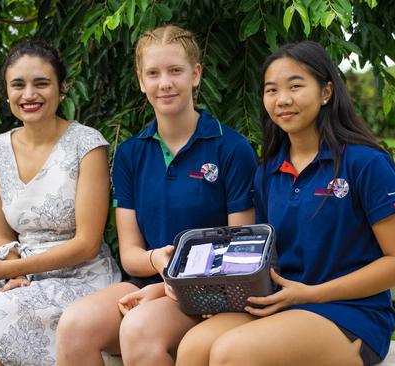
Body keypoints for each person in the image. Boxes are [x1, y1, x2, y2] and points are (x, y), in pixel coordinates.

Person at [176, 41, 395, 366]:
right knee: (193, 347)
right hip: (285, 301)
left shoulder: (366, 163)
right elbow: (266, 257)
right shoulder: (268, 171)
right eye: (271, 90)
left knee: (231, 352)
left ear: (326, 92)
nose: (283, 100)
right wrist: (226, 292)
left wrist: (311, 294)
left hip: (351, 312)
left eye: (295, 86)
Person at [56, 25, 258, 366]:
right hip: (147, 279)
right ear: (140, 81)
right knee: (74, 326)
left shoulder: (232, 149)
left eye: (175, 71)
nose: (164, 83)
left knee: (138, 328)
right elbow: (131, 254)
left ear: (196, 75)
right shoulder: (131, 153)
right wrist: (159, 265)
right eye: (153, 73)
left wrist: (174, 287)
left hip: (211, 290)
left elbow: (241, 257)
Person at [0, 40, 121, 366]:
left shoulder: (87, 144)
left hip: (81, 278)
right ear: (6, 92)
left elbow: (87, 244)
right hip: (20, 273)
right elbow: (2, 235)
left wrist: (9, 269)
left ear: (63, 89)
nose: (29, 94)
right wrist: (13, 272)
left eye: (41, 83)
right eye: (18, 85)